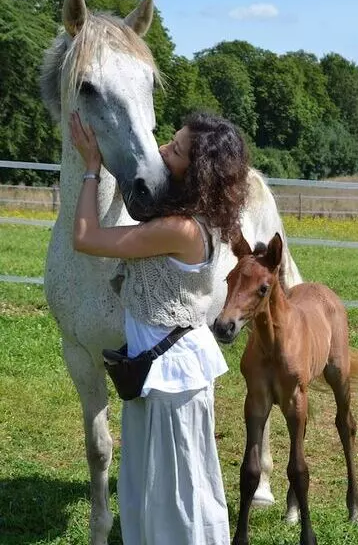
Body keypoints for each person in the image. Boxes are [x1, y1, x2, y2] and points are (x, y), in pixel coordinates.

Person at [70, 110, 249, 545]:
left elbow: (85, 238)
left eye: (176, 150)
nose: (163, 151)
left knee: (175, 495)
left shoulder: (180, 229)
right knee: (167, 488)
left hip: (170, 380)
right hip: (163, 374)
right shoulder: (200, 218)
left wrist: (91, 171)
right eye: (169, 141)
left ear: (197, 172)